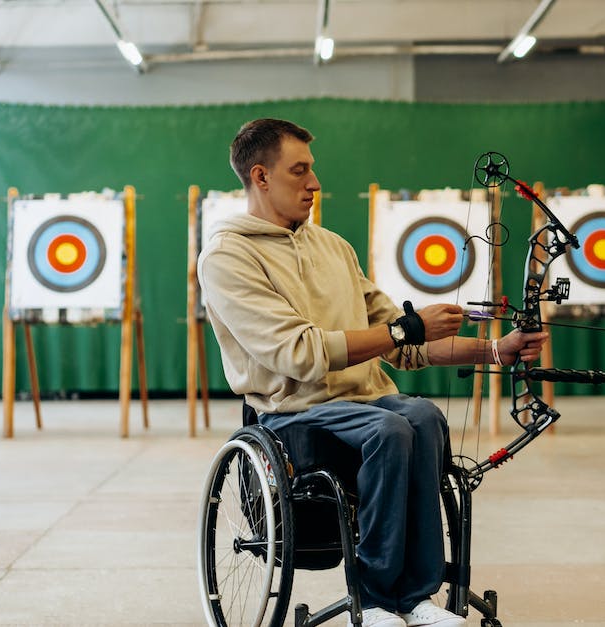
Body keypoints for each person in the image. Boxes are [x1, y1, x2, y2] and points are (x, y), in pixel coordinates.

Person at [198, 118, 548, 627]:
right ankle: (379, 598)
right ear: (261, 176)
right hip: (294, 418)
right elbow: (300, 353)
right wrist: (406, 330)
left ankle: (418, 596)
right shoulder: (228, 256)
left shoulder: (333, 247)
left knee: (423, 416)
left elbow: (404, 343)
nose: (314, 183)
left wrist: (496, 350)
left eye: (312, 170)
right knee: (388, 428)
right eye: (299, 171)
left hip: (364, 407)